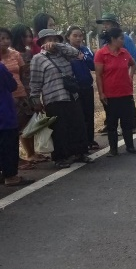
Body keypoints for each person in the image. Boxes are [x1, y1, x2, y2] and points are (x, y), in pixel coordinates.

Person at [29, 29, 91, 168]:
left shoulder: (63, 53)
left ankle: (79, 153)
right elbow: (35, 82)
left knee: (78, 124)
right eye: (49, 40)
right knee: (59, 129)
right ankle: (61, 157)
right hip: (54, 98)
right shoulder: (38, 59)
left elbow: (76, 53)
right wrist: (36, 101)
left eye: (55, 39)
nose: (52, 42)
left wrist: (58, 45)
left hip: (71, 95)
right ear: (42, 42)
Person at [94, 28, 136, 156]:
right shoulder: (101, 54)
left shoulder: (124, 52)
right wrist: (101, 93)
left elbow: (133, 63)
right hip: (110, 94)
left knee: (127, 122)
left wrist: (130, 76)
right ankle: (113, 149)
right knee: (112, 123)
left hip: (125, 92)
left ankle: (130, 146)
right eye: (121, 38)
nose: (123, 41)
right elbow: (98, 75)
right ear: (113, 39)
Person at [0, 27, 38, 171]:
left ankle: (28, 154)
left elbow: (22, 74)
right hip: (5, 98)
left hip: (20, 94)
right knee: (9, 131)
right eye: (2, 39)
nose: (5, 41)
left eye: (7, 38)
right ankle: (14, 160)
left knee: (23, 126)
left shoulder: (15, 54)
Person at [65, 26, 98, 151]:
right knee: (78, 116)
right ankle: (80, 142)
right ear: (68, 37)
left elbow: (94, 65)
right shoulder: (65, 51)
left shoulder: (85, 49)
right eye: (75, 36)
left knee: (89, 114)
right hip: (74, 88)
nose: (78, 38)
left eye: (80, 36)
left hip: (87, 86)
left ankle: (90, 140)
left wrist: (84, 57)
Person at [0, 62, 25, 186]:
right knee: (8, 146)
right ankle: (10, 176)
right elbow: (12, 85)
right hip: (4, 113)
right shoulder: (0, 67)